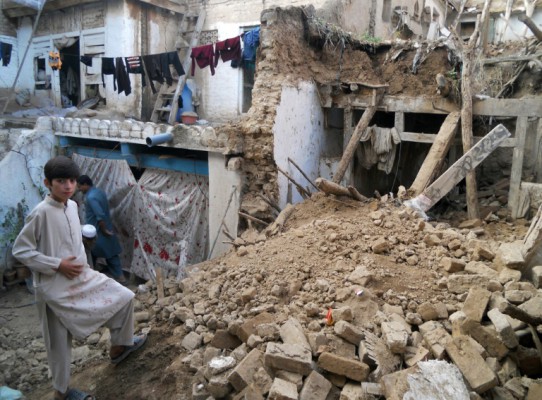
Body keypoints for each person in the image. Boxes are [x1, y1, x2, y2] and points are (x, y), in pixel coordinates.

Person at [12, 156, 146, 400]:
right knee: (59, 344)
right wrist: (57, 264)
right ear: (48, 183)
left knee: (124, 296)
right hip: (52, 287)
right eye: (61, 181)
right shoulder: (40, 213)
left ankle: (120, 346)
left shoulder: (73, 206)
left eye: (72, 181)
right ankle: (61, 393)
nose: (68, 186)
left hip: (82, 277)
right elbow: (20, 250)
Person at [76, 174, 126, 284]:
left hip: (98, 230)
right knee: (102, 253)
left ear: (85, 184)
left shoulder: (91, 197)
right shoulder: (99, 192)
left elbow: (99, 215)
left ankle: (119, 277)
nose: (79, 189)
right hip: (104, 227)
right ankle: (98, 274)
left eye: (79, 187)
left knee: (106, 254)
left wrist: (103, 230)